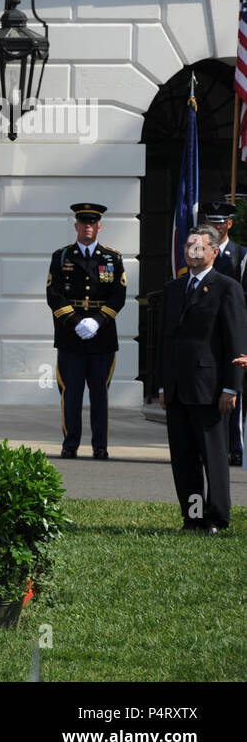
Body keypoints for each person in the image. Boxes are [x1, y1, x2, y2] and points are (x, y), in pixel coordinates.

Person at [159, 225, 246, 533]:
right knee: (184, 461)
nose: (192, 251)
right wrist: (162, 384)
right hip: (178, 390)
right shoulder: (174, 288)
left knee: (213, 458)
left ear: (212, 252)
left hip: (210, 390)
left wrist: (231, 386)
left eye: (199, 246)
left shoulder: (226, 287)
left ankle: (217, 518)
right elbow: (166, 341)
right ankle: (193, 517)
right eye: (188, 246)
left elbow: (236, 342)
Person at [45, 202, 126, 460]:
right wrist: (76, 321)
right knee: (71, 393)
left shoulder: (113, 258)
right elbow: (53, 294)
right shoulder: (61, 256)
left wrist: (97, 322)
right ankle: (70, 443)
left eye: (92, 223)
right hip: (71, 336)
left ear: (99, 227)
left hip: (102, 338)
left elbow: (118, 296)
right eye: (83, 223)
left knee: (100, 394)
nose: (88, 227)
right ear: (76, 226)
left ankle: (100, 445)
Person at [203, 199, 245, 467]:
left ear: (229, 224)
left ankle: (234, 446)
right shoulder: (200, 250)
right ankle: (208, 444)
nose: (216, 227)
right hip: (205, 333)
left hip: (230, 329)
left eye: (220, 223)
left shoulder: (240, 255)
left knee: (233, 389)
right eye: (211, 222)